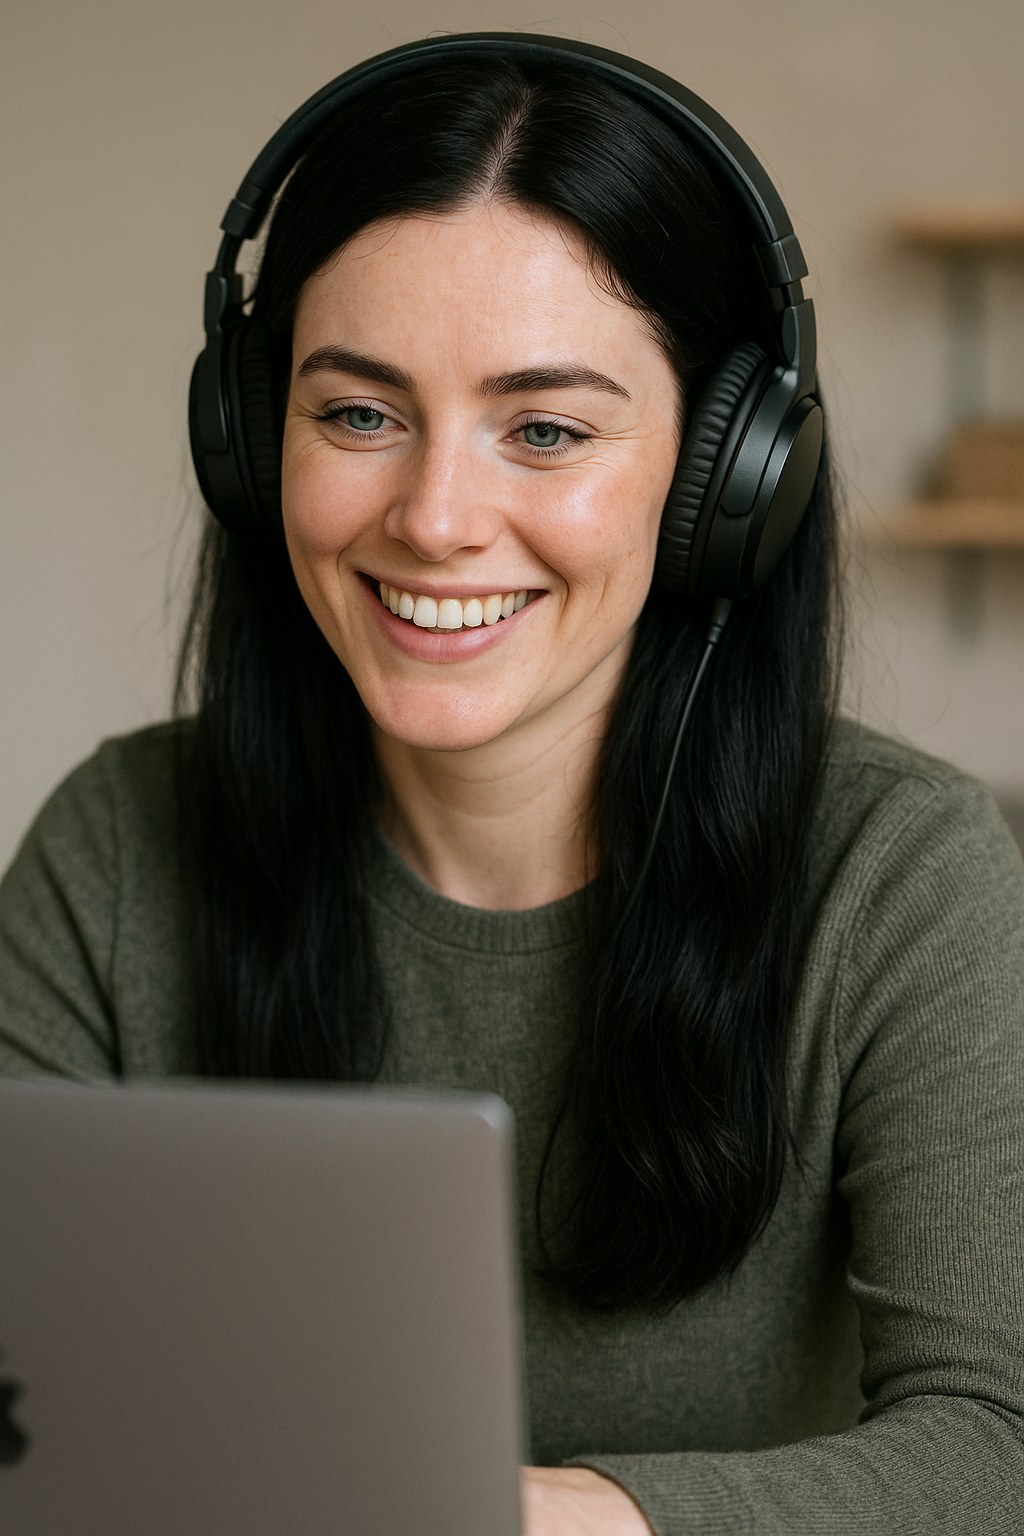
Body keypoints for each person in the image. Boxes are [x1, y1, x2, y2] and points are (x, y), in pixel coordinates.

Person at [1, 32, 1023, 1536]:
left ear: (723, 484)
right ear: (246, 432)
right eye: (357, 413)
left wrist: (519, 1520)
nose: (434, 517)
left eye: (545, 430)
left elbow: (998, 1447)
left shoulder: (906, 876)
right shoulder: (116, 848)